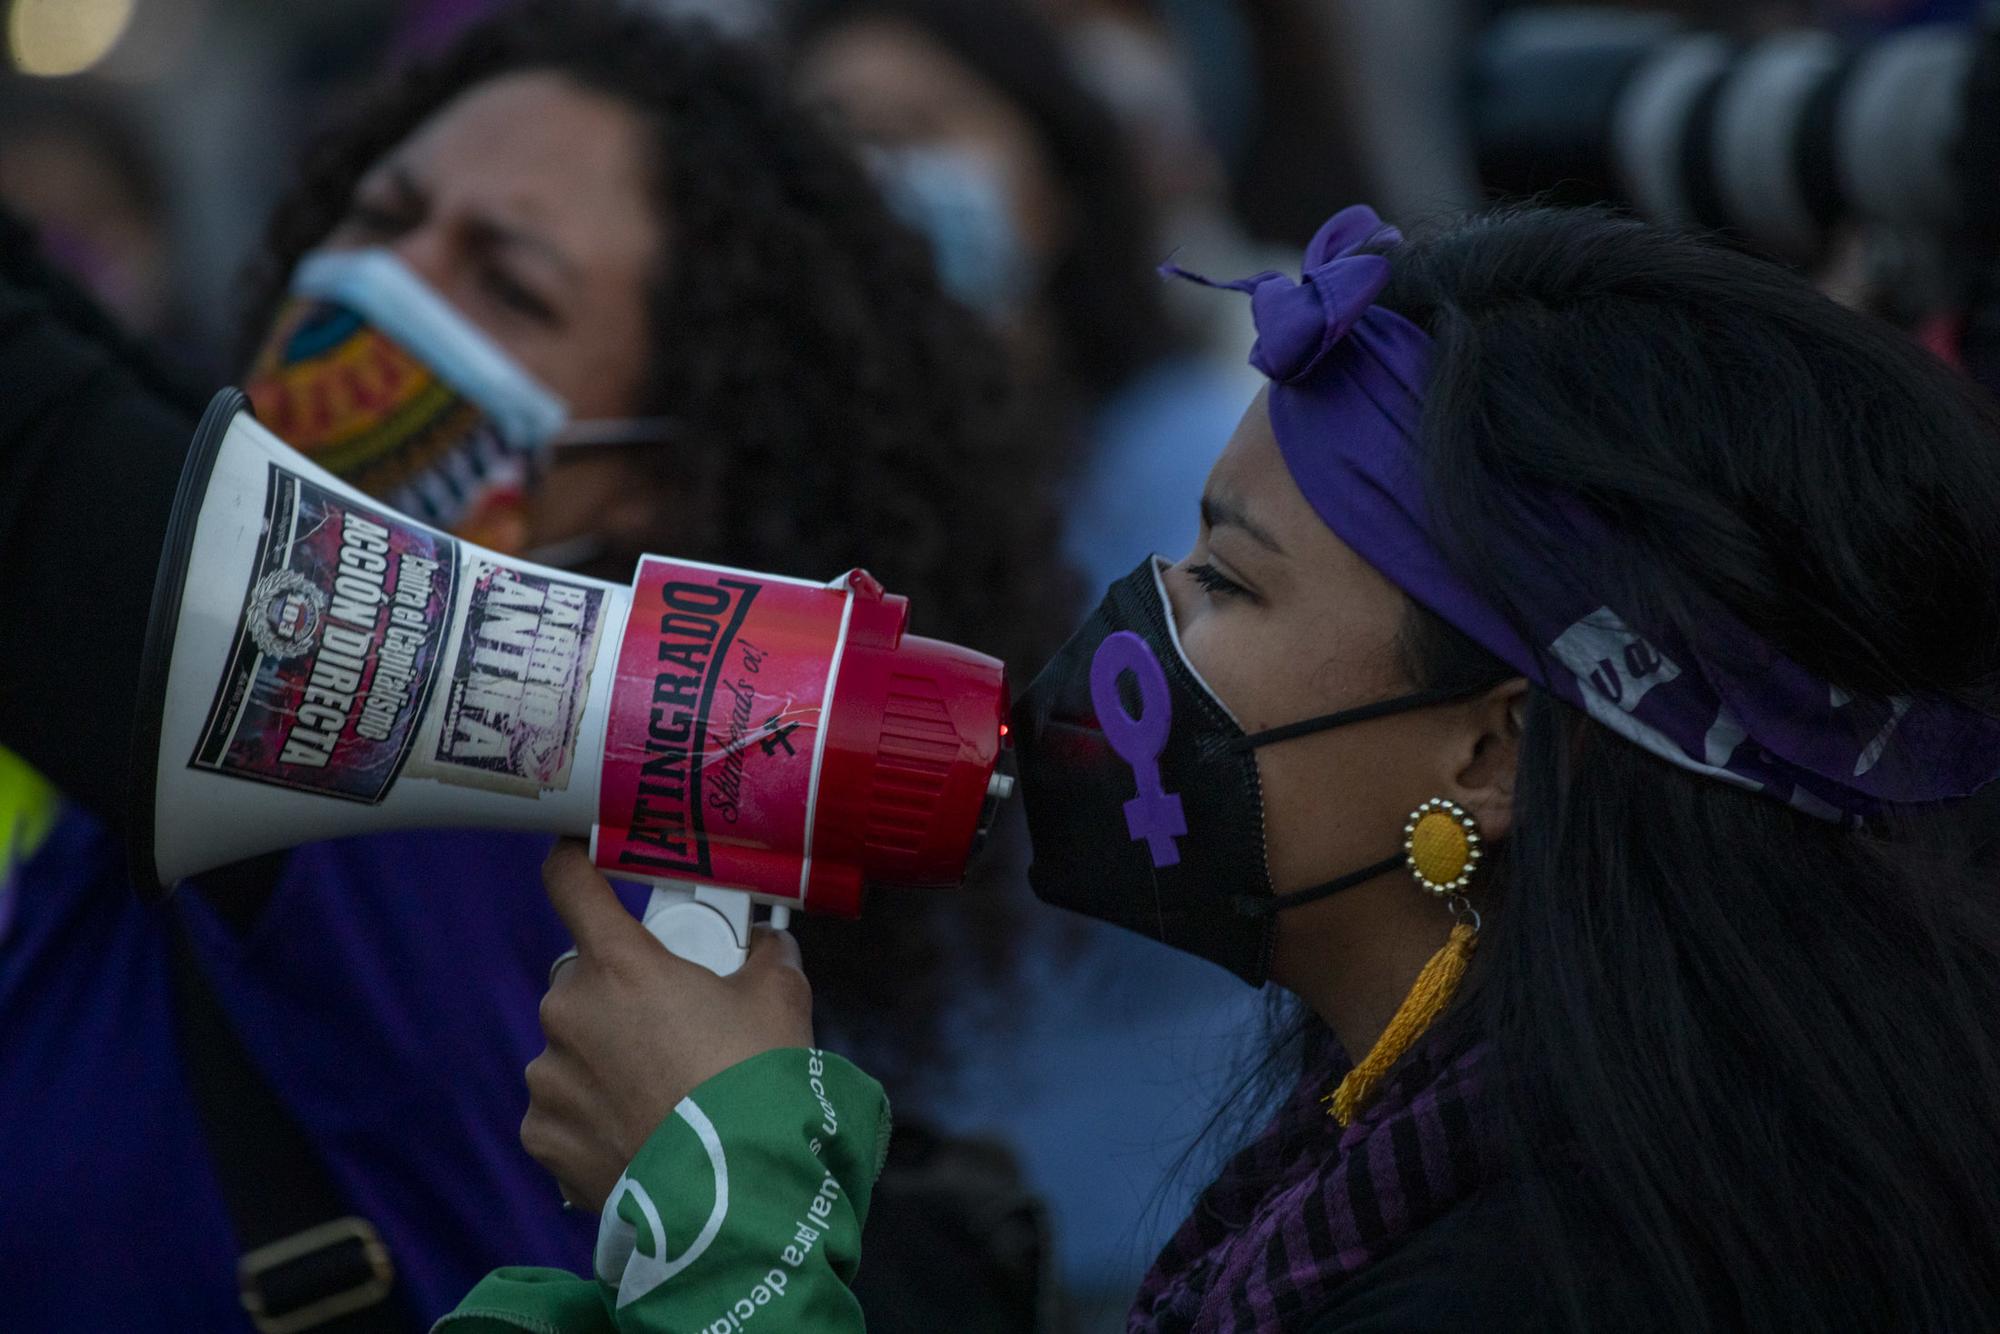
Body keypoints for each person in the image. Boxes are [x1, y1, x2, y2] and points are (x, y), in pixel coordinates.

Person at [444, 203, 2000, 1330]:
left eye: (1229, 583)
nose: (1137, 623)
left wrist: (729, 1238)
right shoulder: (1393, 1147)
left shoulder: (1578, 1267)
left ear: (1495, 745)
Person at [0, 4, 1074, 1329]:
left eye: (505, 283)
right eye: (382, 214)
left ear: (655, 477)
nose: (386, 287)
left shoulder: (417, 792)